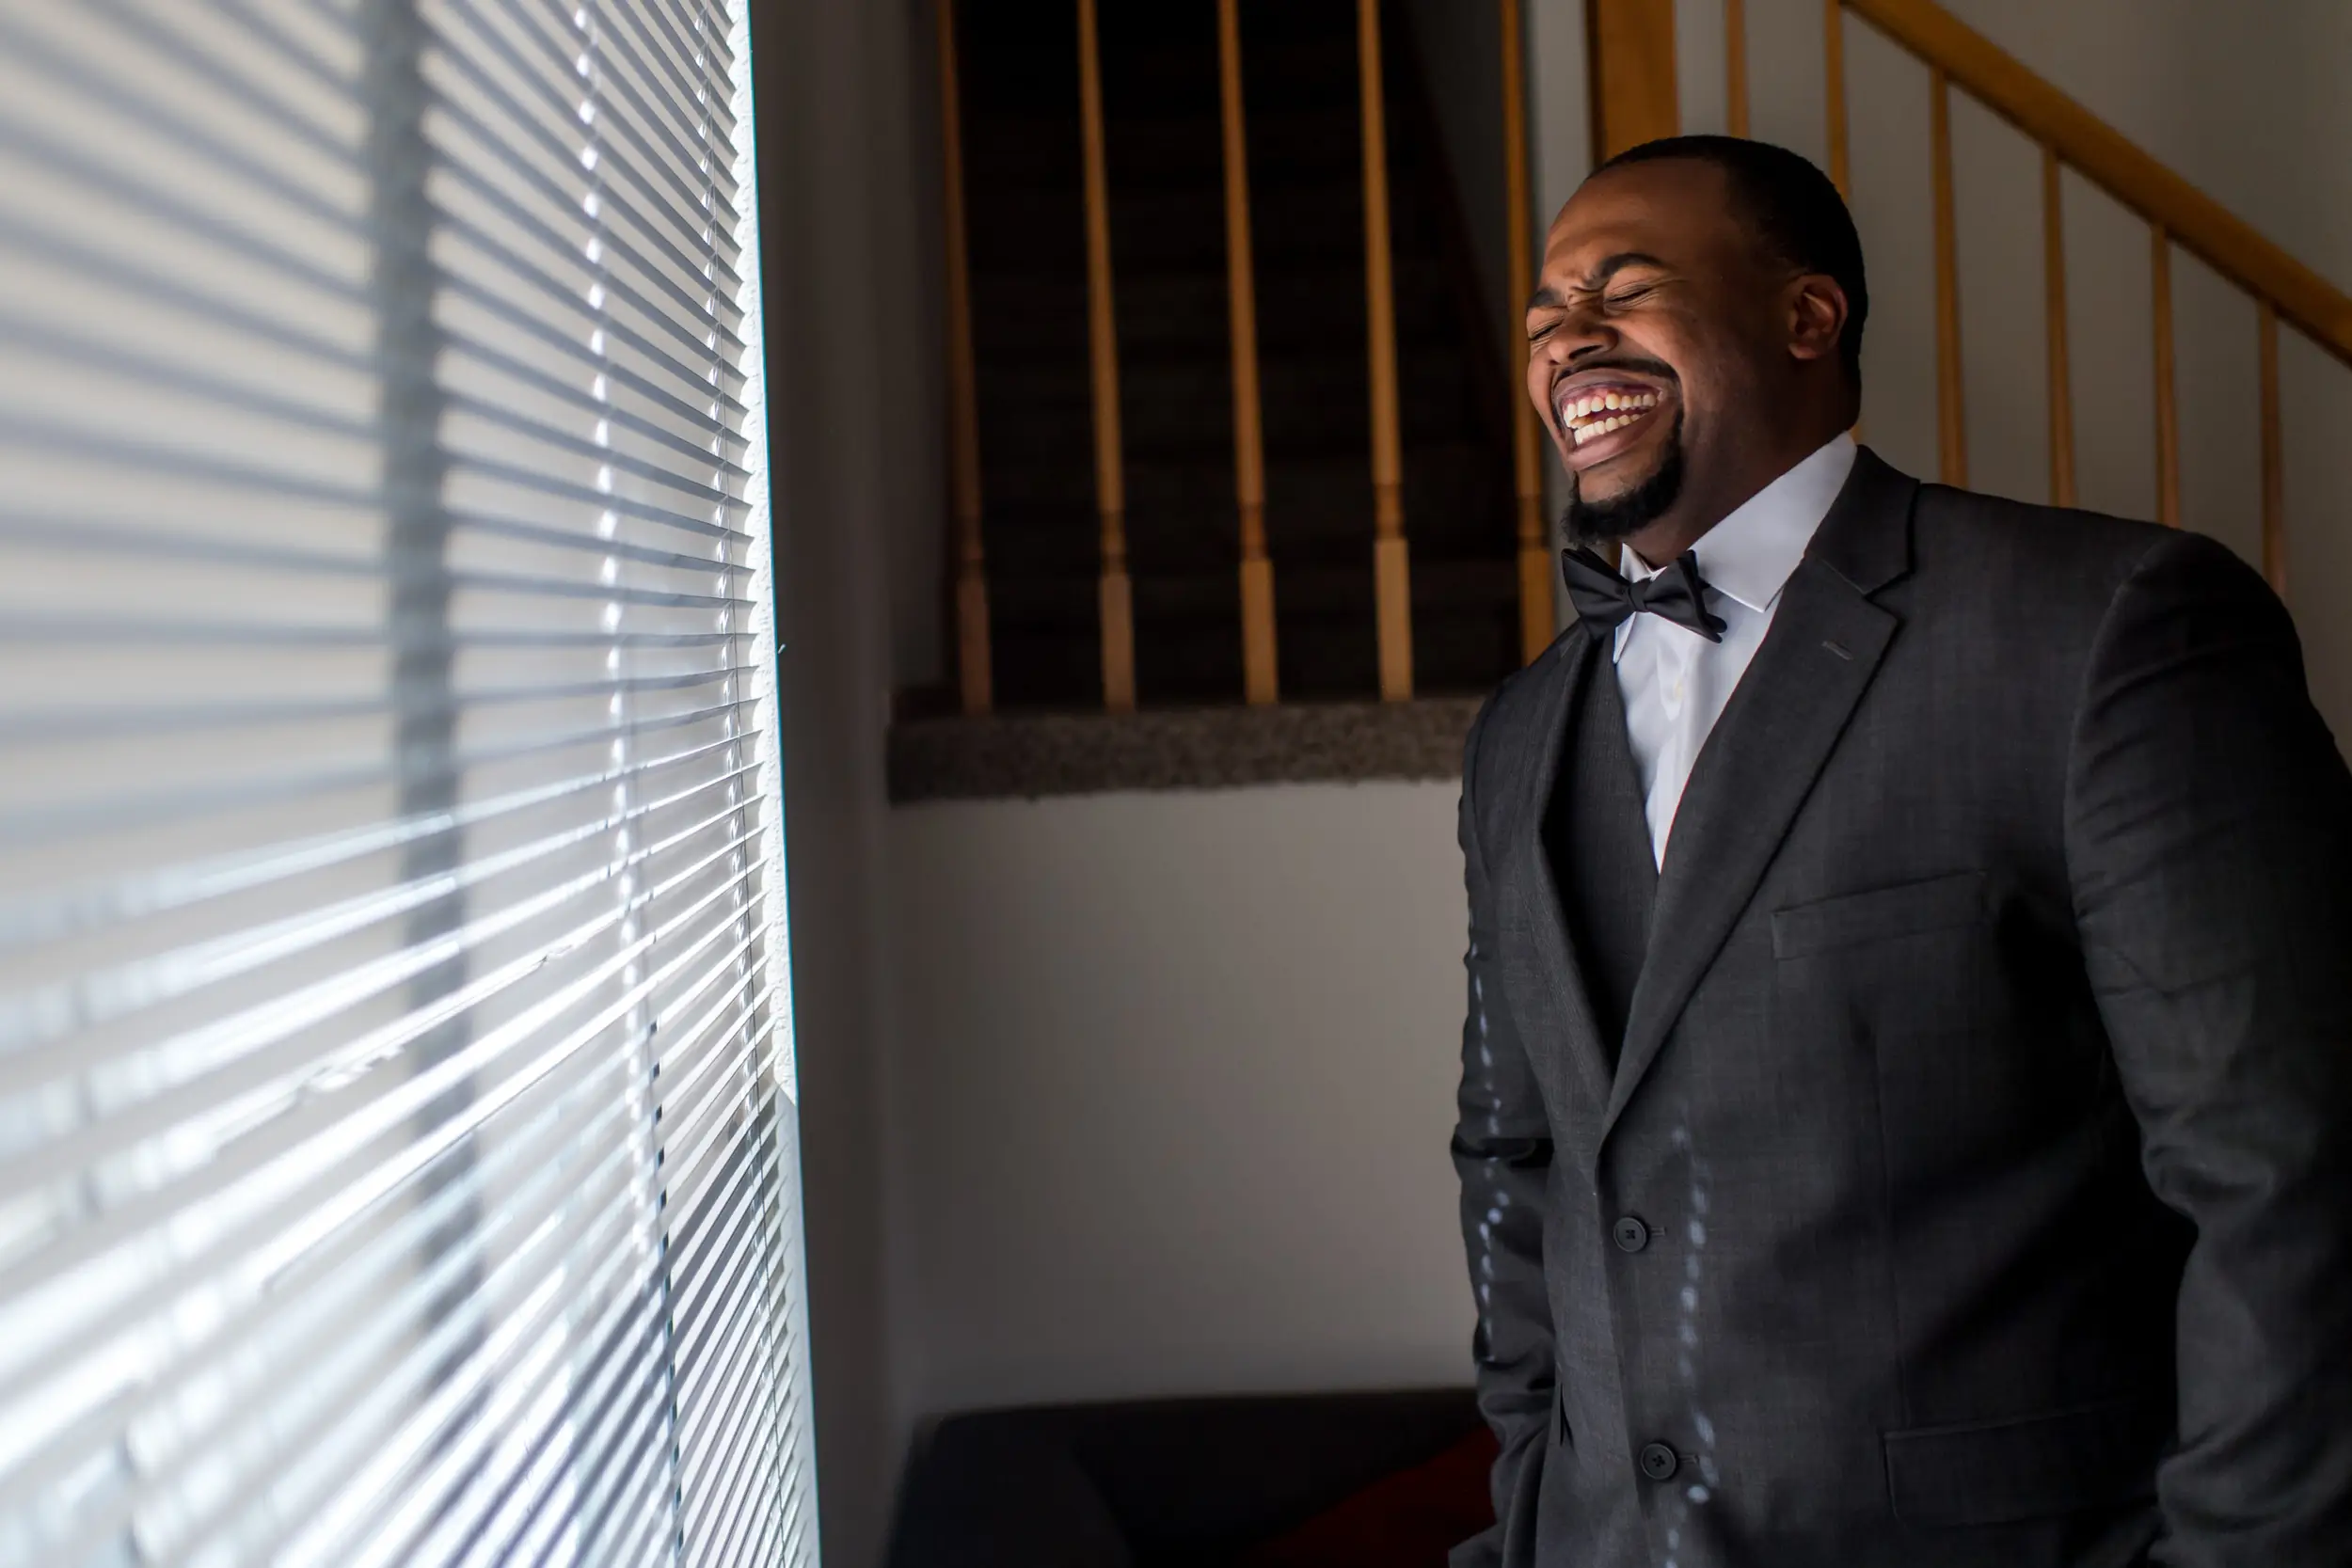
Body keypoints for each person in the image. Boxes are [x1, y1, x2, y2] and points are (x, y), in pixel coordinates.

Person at [1450, 134, 2352, 1568]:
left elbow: (2290, 1179)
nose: (1571, 337)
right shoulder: (1518, 736)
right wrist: (1527, 1517)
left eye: (1624, 289)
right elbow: (1514, 1169)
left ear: (1809, 317)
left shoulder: (2105, 631)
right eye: (1549, 309)